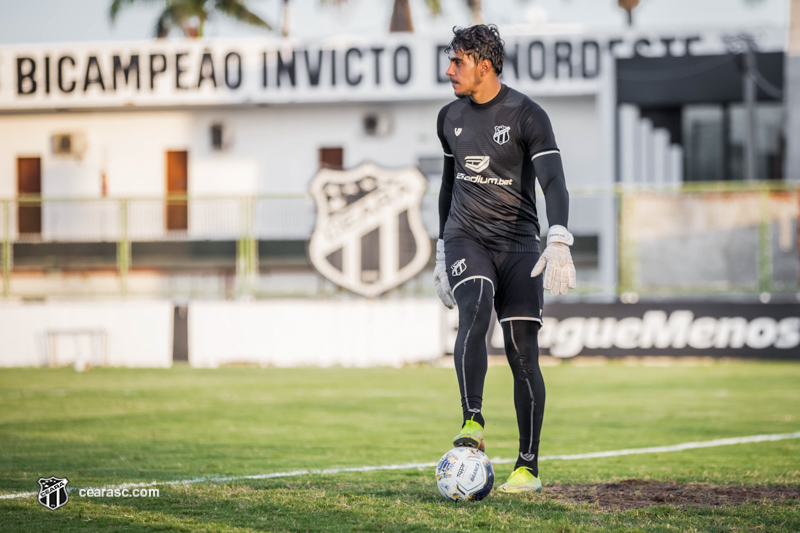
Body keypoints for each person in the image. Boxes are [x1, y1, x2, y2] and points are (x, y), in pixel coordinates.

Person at [433, 24, 576, 494]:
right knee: (474, 305)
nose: (449, 70)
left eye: (458, 62)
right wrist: (440, 246)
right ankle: (472, 419)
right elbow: (449, 184)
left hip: (518, 245)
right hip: (466, 237)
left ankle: (527, 469)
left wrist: (558, 236)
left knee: (522, 353)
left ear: (484, 66)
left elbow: (554, 181)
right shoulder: (448, 116)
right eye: (450, 60)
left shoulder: (527, 114)